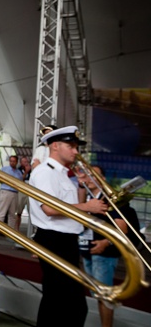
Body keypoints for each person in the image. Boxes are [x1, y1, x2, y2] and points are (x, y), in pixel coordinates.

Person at [28, 125, 108, 327]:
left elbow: (74, 208)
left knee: (65, 303)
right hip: (55, 239)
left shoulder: (63, 173)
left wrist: (81, 186)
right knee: (65, 303)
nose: (75, 151)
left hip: (65, 240)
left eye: (76, 147)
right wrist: (87, 205)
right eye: (71, 146)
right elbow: (49, 209)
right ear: (55, 146)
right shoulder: (45, 172)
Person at [77, 165, 126, 327]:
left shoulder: (110, 198)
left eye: (93, 175)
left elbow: (122, 227)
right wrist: (81, 187)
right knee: (98, 294)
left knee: (104, 296)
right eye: (87, 174)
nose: (89, 177)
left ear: (103, 179)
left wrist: (106, 242)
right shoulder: (89, 199)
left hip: (104, 254)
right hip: (88, 251)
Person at [0, 155, 23, 231]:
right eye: (11, 161)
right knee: (2, 212)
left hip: (15, 193)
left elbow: (20, 183)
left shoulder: (19, 172)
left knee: (12, 214)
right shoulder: (4, 169)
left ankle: (11, 231)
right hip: (6, 191)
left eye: (14, 161)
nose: (12, 163)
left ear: (17, 162)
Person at [14, 156, 32, 231]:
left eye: (26, 162)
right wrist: (26, 172)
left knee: (31, 211)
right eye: (24, 162)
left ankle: (31, 229)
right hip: (21, 190)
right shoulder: (18, 170)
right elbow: (20, 180)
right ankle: (17, 229)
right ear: (20, 163)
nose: (25, 163)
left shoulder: (32, 170)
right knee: (19, 211)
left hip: (30, 189)